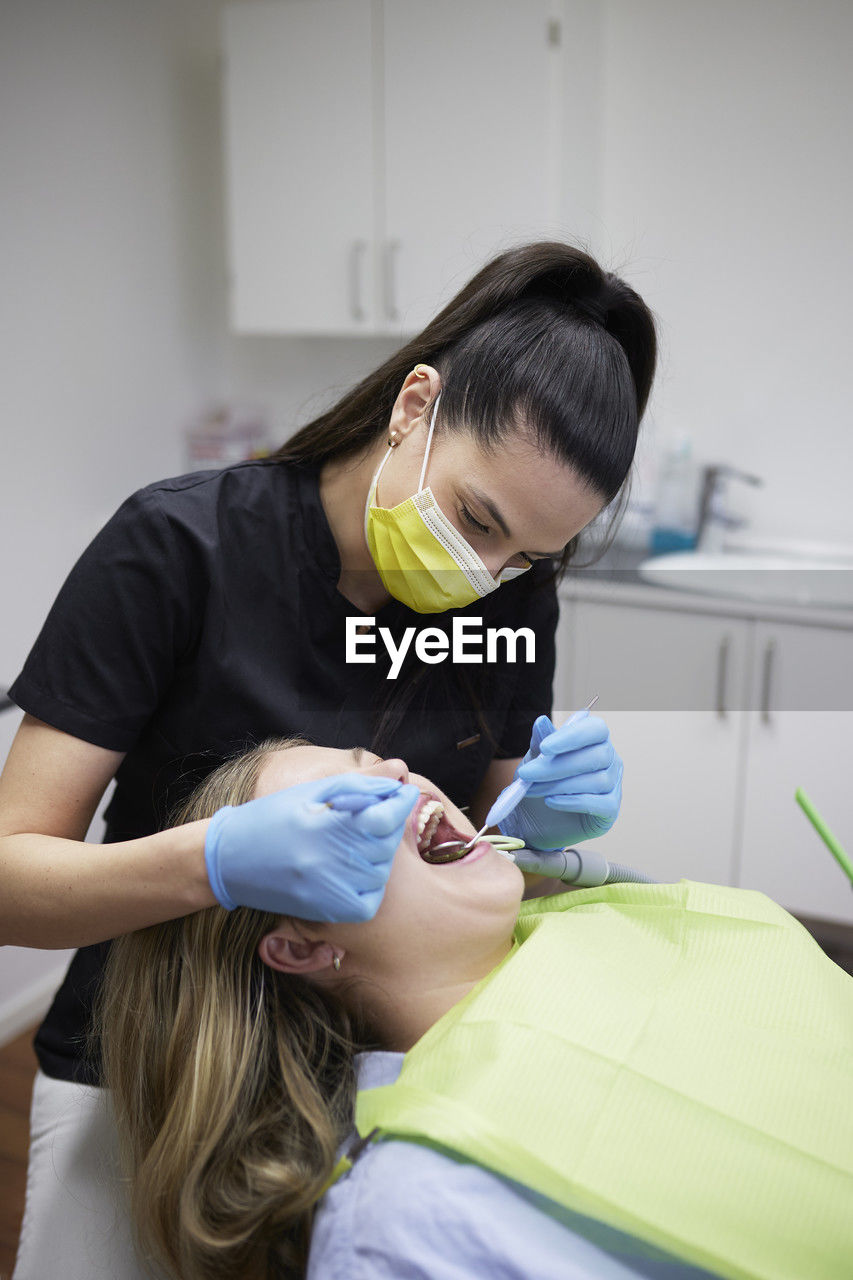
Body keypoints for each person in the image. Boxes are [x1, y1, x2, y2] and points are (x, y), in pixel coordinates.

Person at [3, 241, 656, 1277]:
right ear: (413, 404)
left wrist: (537, 832)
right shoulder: (181, 549)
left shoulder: (512, 599)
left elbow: (493, 835)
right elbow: (7, 879)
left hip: (373, 1063)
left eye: (527, 557)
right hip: (151, 1058)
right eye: (479, 519)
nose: (487, 577)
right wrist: (207, 861)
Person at [95, 738, 853, 1280]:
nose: (397, 771)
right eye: (341, 806)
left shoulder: (621, 923)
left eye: (373, 761)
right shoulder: (415, 1214)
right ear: (300, 948)